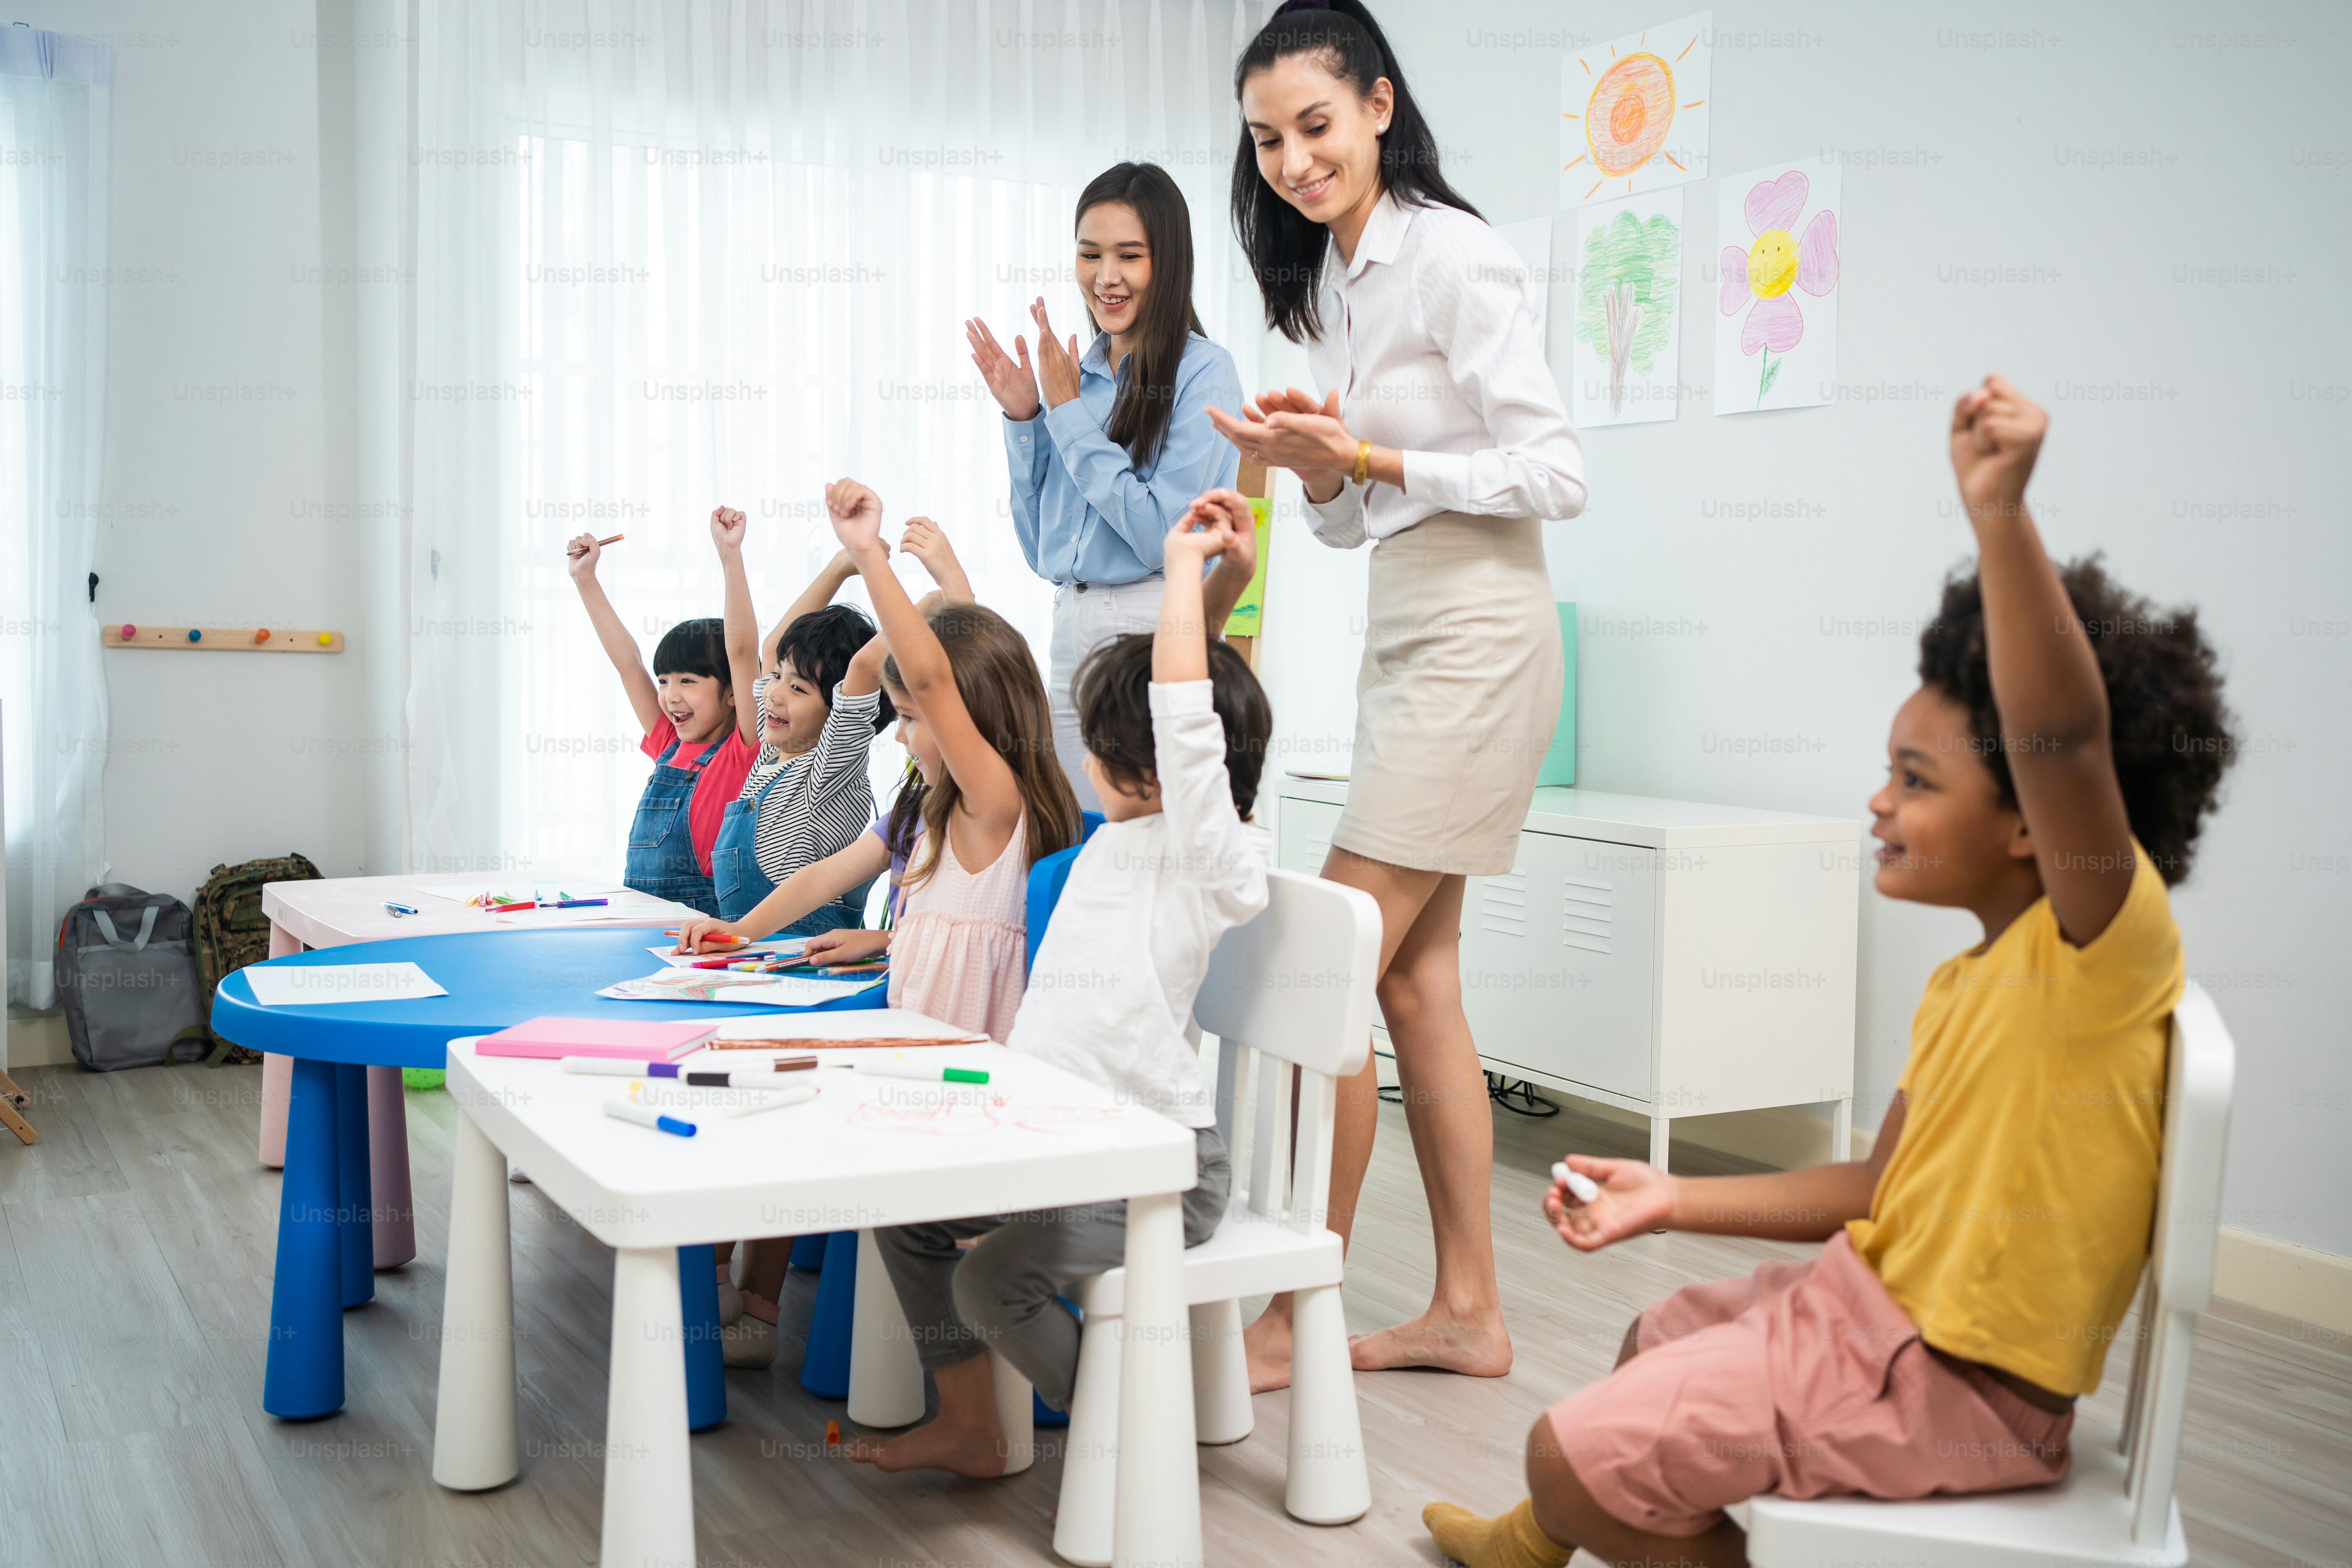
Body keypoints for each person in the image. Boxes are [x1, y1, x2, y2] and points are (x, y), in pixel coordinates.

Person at [1421, 377, 2238, 1568]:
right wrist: (1670, 1195)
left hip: (1955, 1387)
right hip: (1873, 1315)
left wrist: (2000, 517)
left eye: (1913, 778)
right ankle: (1537, 1536)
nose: (1876, 800)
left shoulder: (2103, 959)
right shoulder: (1965, 983)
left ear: (2030, 823)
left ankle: (1567, 1520)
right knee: (1650, 1335)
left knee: (1569, 1452)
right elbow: (1870, 1182)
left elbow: (2056, 733)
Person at [1213, 0, 1587, 1388]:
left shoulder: (1456, 257)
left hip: (1485, 639)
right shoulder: (1340, 280)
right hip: (1407, 631)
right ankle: (1469, 1316)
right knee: (1419, 986)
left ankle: (1284, 1315)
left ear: (1378, 103)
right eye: (1267, 141)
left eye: (1315, 126)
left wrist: (1365, 459)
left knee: (1321, 974)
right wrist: (1319, 468)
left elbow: (1557, 475)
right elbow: (1357, 523)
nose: (1295, 161)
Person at [853, 498, 1273, 1475]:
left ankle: (1125, 1433)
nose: (1085, 753)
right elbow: (1178, 699)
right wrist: (1228, 583)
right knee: (904, 1211)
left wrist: (1179, 571)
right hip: (1063, 1135)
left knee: (993, 1282)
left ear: (1160, 768)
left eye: (1106, 743)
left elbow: (1185, 726)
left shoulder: (1218, 855)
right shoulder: (1123, 839)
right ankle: (975, 1425)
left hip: (1157, 1165)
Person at [967, 160, 1245, 811]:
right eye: (1090, 254)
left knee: (1147, 836)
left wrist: (1066, 414)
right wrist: (1027, 418)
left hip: (1154, 623)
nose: (1106, 276)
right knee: (1075, 830)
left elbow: (1157, 536)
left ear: (1168, 261)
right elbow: (1043, 552)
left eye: (1130, 255)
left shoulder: (1206, 373)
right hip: (1072, 619)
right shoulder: (1080, 371)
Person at [708, 505, 896, 931]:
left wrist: (935, 604)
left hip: (811, 967)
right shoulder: (772, 747)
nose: (774, 693)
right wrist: (839, 568)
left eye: (798, 688)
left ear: (837, 714)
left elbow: (865, 666)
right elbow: (772, 644)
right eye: (778, 677)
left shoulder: (828, 766)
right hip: (754, 954)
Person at [565, 534, 756, 916]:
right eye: (665, 680)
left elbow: (742, 652)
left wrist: (731, 556)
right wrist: (585, 579)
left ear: (734, 692)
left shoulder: (742, 750)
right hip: (641, 915)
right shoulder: (668, 741)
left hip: (701, 922)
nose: (670, 695)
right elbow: (628, 663)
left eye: (687, 681)